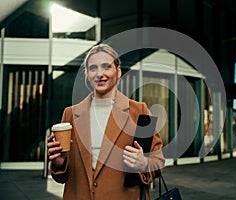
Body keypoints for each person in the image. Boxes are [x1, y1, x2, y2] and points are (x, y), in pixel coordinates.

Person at [47, 44, 165, 200]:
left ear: (118, 71)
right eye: (93, 68)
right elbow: (62, 177)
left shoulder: (139, 111)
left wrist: (143, 163)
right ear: (87, 74)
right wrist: (59, 163)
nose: (99, 74)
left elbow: (158, 161)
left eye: (106, 67)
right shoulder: (70, 114)